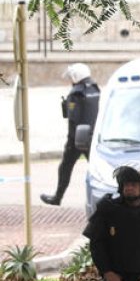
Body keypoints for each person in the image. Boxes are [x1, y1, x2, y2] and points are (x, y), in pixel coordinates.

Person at [42, 62, 101, 205]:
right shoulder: (95, 88)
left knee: (65, 167)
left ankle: (57, 198)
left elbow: (73, 119)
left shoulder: (75, 93)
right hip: (93, 137)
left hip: (77, 139)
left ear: (75, 76)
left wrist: (71, 141)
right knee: (99, 170)